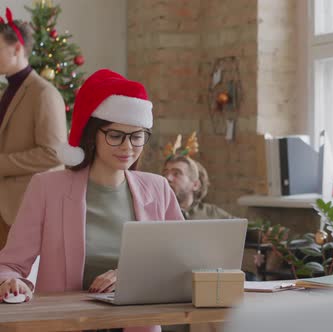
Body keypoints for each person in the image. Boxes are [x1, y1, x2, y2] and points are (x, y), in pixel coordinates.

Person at [0, 69, 183, 332]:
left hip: (135, 325)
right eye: (116, 135)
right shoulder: (47, 187)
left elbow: (180, 265)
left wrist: (130, 277)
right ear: (93, 135)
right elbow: (9, 265)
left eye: (137, 136)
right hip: (66, 324)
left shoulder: (158, 188)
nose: (128, 147)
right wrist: (10, 282)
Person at [0, 8, 67, 249]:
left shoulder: (44, 94)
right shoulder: (8, 90)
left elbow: (53, 153)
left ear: (17, 48)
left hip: (23, 209)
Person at [163, 154, 233, 220]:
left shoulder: (212, 214)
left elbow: (241, 229)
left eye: (176, 173)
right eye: (165, 173)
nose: (167, 178)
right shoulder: (156, 211)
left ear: (195, 185)